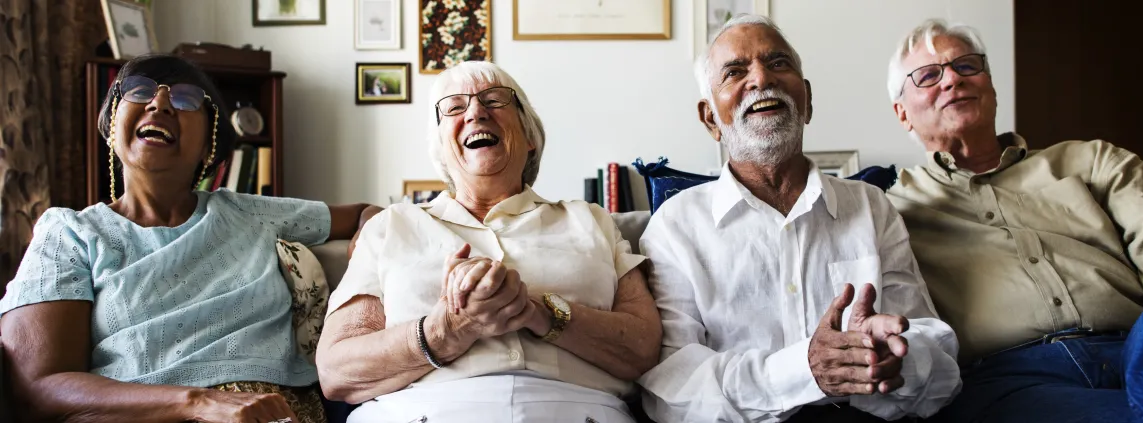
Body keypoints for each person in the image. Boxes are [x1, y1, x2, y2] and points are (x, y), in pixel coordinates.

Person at [0, 54, 378, 423]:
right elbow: (40, 388)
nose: (160, 103)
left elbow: (367, 212)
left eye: (185, 99)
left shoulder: (250, 212)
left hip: (275, 411)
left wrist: (372, 240)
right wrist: (197, 402)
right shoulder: (70, 234)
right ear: (111, 124)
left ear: (209, 146)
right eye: (138, 90)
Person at [637, 15, 961, 423]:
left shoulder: (872, 207)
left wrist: (897, 356)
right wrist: (802, 370)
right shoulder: (676, 227)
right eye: (735, 71)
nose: (761, 79)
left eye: (778, 64)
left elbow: (942, 365)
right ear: (709, 119)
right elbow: (672, 391)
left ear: (806, 100)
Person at [884, 19, 1143, 422]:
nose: (951, 81)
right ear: (902, 113)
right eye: (928, 75)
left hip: (1142, 349)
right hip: (1012, 379)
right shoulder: (890, 211)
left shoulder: (1094, 162)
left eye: (966, 66)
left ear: (990, 87)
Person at [316, 60, 663, 423]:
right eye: (454, 107)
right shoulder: (392, 226)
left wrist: (537, 311)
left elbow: (644, 349)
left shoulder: (591, 220)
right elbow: (337, 372)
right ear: (440, 147)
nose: (476, 112)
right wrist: (447, 329)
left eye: (495, 101)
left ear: (529, 137)